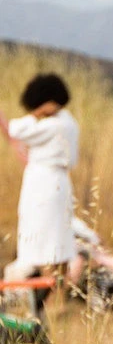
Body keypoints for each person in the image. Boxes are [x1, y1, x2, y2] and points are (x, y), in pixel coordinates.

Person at [0, 73, 79, 292]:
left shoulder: (55, 125)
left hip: (45, 188)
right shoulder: (68, 121)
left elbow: (16, 130)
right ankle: (54, 296)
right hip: (55, 184)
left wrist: (36, 114)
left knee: (47, 244)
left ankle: (50, 294)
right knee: (56, 241)